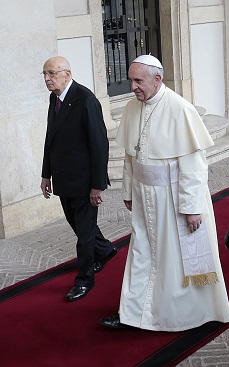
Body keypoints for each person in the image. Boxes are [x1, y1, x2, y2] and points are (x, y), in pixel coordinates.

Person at [100, 54, 229, 331]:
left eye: (138, 81)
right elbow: (129, 156)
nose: (132, 87)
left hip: (173, 199)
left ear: (157, 79)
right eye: (131, 80)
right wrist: (128, 190)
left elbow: (194, 167)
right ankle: (133, 314)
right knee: (141, 253)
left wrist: (192, 207)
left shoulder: (180, 109)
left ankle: (177, 315)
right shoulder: (132, 108)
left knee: (173, 259)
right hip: (144, 197)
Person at [41, 56, 117, 302]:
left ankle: (84, 280)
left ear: (67, 73)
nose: (47, 79)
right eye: (44, 74)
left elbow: (99, 145)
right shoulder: (55, 99)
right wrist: (46, 174)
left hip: (84, 182)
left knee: (84, 236)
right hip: (64, 180)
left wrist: (97, 185)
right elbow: (49, 139)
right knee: (79, 225)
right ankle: (105, 250)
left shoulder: (86, 100)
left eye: (51, 73)